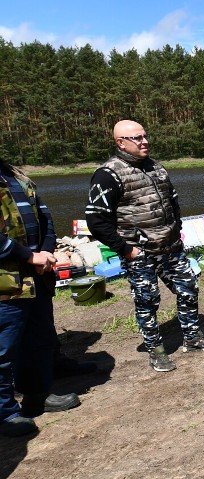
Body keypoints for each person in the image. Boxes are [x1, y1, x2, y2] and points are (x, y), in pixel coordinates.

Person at [86, 120, 204, 373]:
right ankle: (156, 350)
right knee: (147, 300)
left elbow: (173, 202)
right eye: (137, 138)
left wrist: (176, 230)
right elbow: (96, 220)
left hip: (171, 248)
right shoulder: (108, 174)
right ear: (121, 143)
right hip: (139, 253)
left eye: (145, 136)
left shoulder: (156, 167)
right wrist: (125, 249)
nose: (144, 141)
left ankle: (193, 337)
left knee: (188, 288)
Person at [1, 160, 80, 436]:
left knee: (39, 337)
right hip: (5, 279)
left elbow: (44, 215)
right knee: (3, 349)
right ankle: (5, 413)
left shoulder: (12, 174)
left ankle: (37, 395)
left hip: (35, 274)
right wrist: (28, 255)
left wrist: (46, 252)